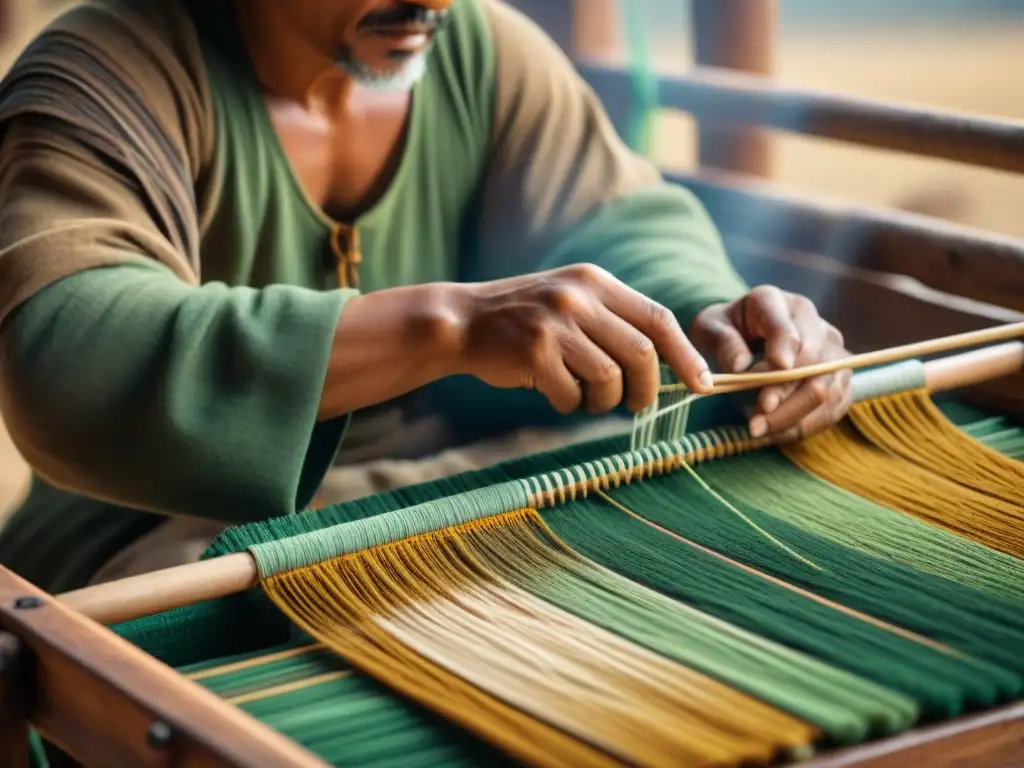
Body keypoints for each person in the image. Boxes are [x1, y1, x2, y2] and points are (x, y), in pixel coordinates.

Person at [0, 0, 851, 594]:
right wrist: (453, 326)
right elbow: (69, 353)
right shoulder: (98, 76)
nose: (434, 1)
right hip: (158, 544)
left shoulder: (481, 51)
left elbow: (617, 222)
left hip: (453, 503)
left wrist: (717, 320)